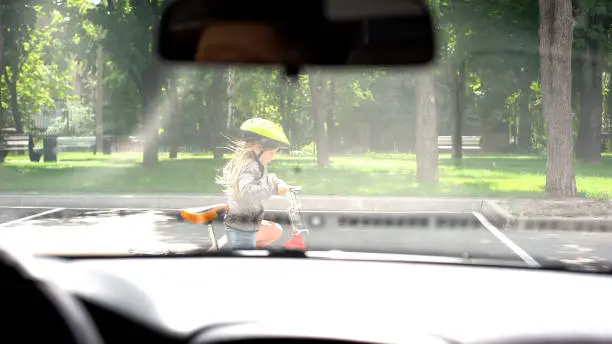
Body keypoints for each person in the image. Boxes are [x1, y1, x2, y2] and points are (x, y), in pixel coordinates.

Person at [216, 117, 290, 250]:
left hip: (245, 225)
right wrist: (273, 188)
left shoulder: (253, 163)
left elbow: (253, 183)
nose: (273, 157)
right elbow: (247, 191)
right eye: (271, 153)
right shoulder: (251, 165)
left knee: (275, 230)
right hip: (242, 230)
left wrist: (270, 180)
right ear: (257, 148)